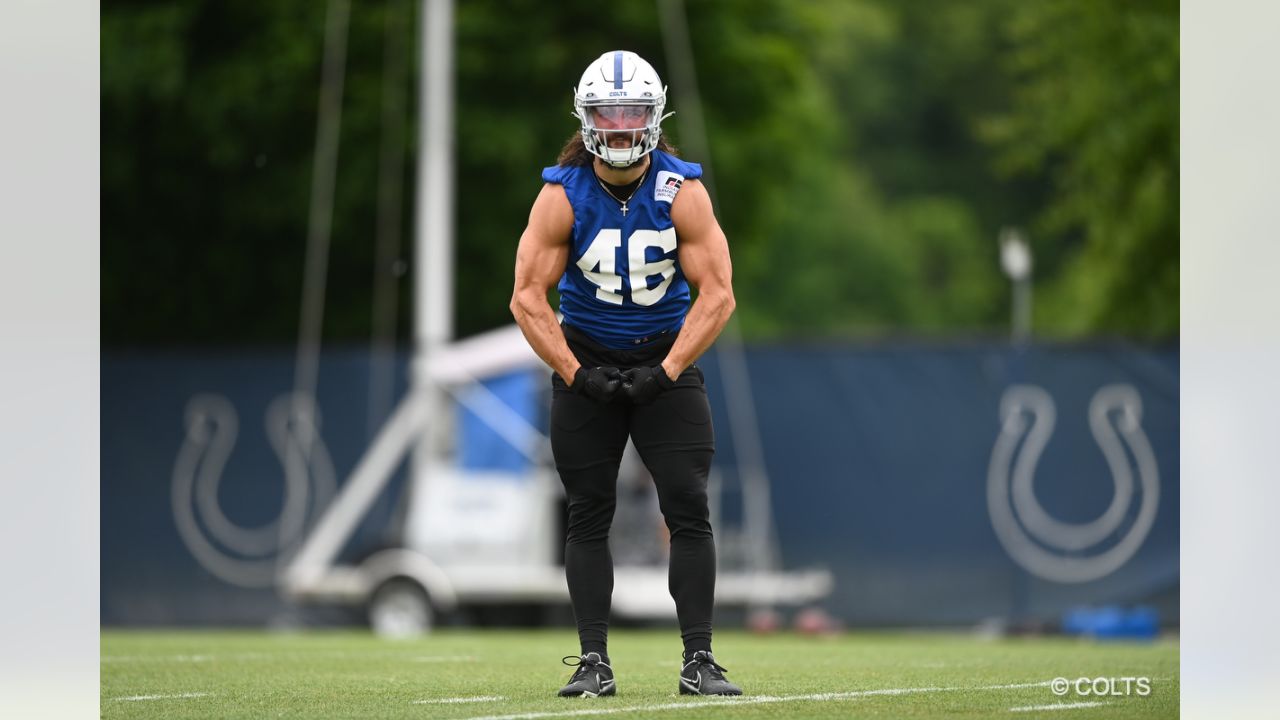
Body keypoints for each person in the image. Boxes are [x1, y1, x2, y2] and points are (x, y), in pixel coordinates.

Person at [509, 50, 742, 698]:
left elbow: (718, 293)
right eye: (605, 114)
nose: (616, 127)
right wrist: (577, 373)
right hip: (586, 357)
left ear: (653, 117)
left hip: (665, 356)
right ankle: (592, 662)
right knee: (587, 512)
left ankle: (700, 660)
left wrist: (665, 372)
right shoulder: (562, 193)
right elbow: (527, 297)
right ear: (585, 120)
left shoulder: (681, 190)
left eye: (629, 113)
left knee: (688, 506)